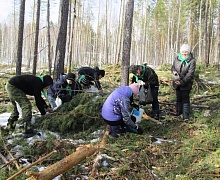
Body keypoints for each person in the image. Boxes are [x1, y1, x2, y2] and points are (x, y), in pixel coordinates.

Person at [171, 44, 196, 121]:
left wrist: (182, 82)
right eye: (183, 52)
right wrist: (174, 72)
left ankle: (186, 116)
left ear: (188, 52)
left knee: (185, 99)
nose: (184, 54)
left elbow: (190, 74)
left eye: (186, 52)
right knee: (178, 98)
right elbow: (173, 67)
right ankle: (178, 112)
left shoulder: (192, 61)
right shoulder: (177, 58)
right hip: (176, 82)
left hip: (186, 83)